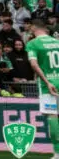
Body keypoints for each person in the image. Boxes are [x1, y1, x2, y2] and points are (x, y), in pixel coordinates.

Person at [26, 19, 59, 157]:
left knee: (52, 116)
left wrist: (47, 82)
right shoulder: (57, 42)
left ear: (34, 28)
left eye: (29, 27)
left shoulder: (33, 43)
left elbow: (34, 65)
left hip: (48, 86)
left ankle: (57, 152)